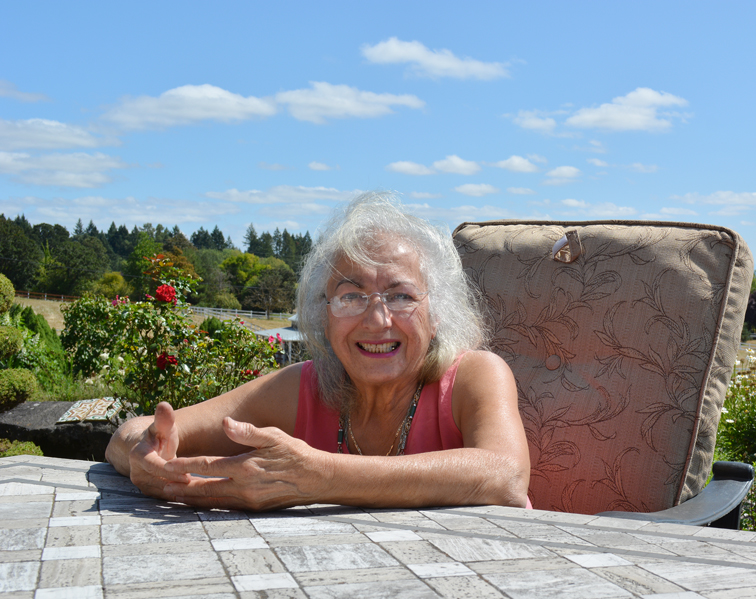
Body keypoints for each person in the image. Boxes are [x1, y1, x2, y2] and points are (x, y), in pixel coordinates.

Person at [106, 192, 530, 511]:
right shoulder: (301, 389)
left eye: (400, 296)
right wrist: (146, 460)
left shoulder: (474, 376)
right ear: (323, 314)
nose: (376, 320)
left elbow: (505, 477)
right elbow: (136, 435)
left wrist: (319, 476)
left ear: (437, 313)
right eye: (350, 296)